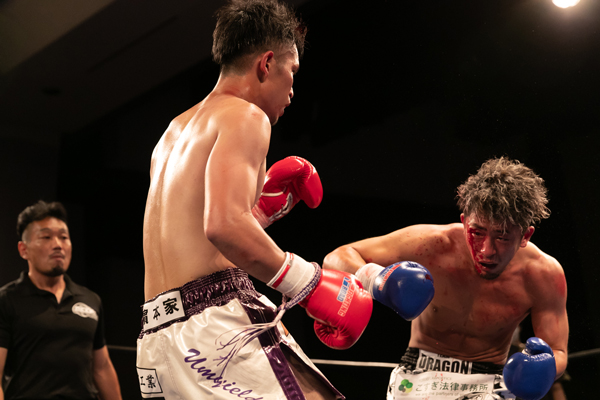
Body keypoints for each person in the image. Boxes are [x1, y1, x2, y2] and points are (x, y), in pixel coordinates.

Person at [137, 1, 375, 399]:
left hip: (155, 335)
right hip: (214, 325)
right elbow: (224, 226)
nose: (293, 90)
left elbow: (194, 236)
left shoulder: (172, 133)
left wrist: (259, 213)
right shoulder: (247, 116)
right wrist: (307, 283)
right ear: (267, 64)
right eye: (292, 71)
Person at [324, 157, 569, 400]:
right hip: (419, 374)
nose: (486, 251)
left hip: (488, 383)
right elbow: (337, 257)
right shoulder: (431, 245)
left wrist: (545, 368)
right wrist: (379, 280)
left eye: (503, 237)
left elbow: (557, 350)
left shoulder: (542, 274)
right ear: (464, 222)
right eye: (477, 232)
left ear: (525, 236)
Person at [0, 200, 122, 400]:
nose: (58, 245)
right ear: (23, 250)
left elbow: (101, 368)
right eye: (46, 237)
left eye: (64, 237)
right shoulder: (7, 300)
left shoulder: (90, 300)